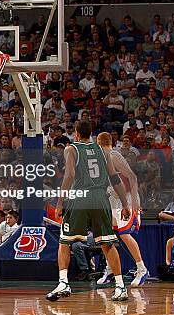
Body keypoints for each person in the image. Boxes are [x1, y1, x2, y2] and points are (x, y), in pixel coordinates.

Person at [46, 121, 131, 302]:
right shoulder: (103, 150)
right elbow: (115, 178)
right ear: (91, 133)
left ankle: (63, 282)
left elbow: (69, 175)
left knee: (65, 241)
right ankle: (120, 286)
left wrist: (60, 202)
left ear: (76, 133)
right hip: (101, 198)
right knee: (107, 243)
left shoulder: (71, 149)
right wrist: (125, 204)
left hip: (80, 197)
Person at [96, 132, 148, 287]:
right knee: (105, 236)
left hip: (126, 199)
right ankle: (111, 268)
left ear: (100, 144)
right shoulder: (103, 159)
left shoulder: (114, 156)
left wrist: (134, 205)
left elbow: (132, 178)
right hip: (113, 199)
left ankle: (141, 268)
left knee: (125, 235)